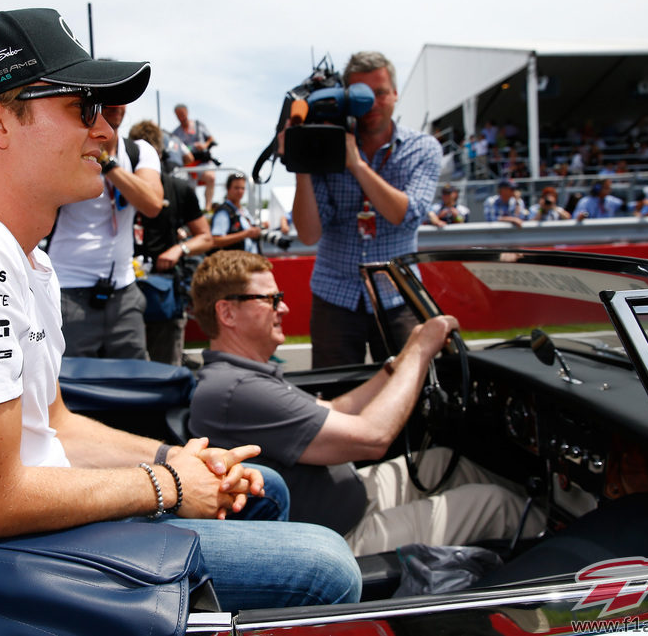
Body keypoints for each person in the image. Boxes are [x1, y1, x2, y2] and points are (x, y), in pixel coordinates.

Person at [0, 8, 360, 611]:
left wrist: (175, 457)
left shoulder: (19, 253)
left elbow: (53, 425)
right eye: (81, 108)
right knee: (327, 566)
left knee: (260, 487)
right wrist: (166, 485)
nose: (107, 133)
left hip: (11, 536)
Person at [187, 251, 542, 556]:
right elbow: (374, 437)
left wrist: (399, 362)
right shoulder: (237, 389)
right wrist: (419, 351)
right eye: (270, 299)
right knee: (497, 504)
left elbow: (338, 409)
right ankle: (579, 566)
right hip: (338, 537)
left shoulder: (242, 378)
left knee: (454, 464)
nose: (285, 307)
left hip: (350, 498)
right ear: (227, 314)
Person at [291, 51, 441, 369]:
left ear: (395, 95)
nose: (371, 103)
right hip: (335, 295)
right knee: (337, 397)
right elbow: (308, 233)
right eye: (360, 95)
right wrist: (302, 161)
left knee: (409, 394)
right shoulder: (326, 147)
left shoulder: (423, 148)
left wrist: (356, 164)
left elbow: (407, 214)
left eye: (381, 92)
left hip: (398, 294)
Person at [47, 102, 163, 360]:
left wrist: (106, 162)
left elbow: (153, 204)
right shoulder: (68, 148)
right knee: (72, 386)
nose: (117, 105)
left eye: (123, 97)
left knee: (135, 382)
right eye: (108, 97)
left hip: (123, 288)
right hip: (69, 288)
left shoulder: (138, 151)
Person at [128, 119, 214, 365]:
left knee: (166, 369)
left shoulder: (178, 189)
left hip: (162, 291)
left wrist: (178, 249)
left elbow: (206, 237)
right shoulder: (116, 185)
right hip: (122, 291)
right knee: (124, 374)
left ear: (159, 154)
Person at [172, 104, 217, 210]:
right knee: (188, 188)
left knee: (211, 177)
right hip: (187, 165)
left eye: (182, 114)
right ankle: (194, 211)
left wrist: (204, 145)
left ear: (187, 112)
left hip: (202, 161)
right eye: (178, 115)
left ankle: (207, 207)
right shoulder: (175, 133)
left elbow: (211, 138)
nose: (181, 117)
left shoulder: (198, 124)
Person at [211, 173, 261, 254]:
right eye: (236, 188)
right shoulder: (223, 212)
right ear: (228, 189)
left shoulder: (244, 211)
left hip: (250, 260)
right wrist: (245, 234)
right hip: (234, 262)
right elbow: (216, 240)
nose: (240, 191)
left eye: (243, 188)